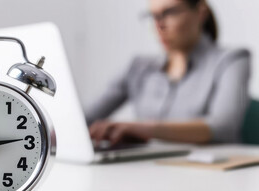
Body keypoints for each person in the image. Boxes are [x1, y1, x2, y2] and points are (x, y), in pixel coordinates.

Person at [87, 0, 251, 146]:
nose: (159, 25)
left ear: (201, 13)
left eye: (169, 12)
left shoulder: (232, 60)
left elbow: (223, 126)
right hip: (150, 168)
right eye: (153, 16)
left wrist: (141, 128)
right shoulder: (137, 67)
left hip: (211, 171)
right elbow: (87, 117)